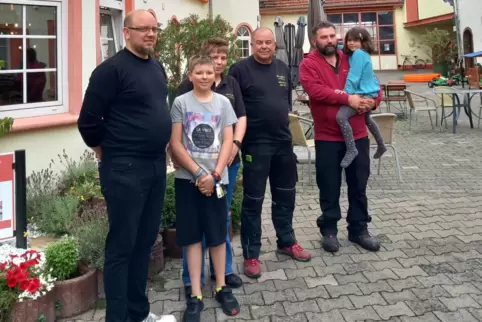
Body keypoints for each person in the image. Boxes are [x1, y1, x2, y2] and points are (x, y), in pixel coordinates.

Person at [78, 9, 176, 322]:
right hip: (124, 169)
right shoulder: (110, 71)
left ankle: (139, 313)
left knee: (144, 242)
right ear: (127, 32)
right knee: (122, 246)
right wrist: (107, 153)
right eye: (143, 29)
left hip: (155, 166)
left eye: (154, 29)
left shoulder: (156, 66)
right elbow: (88, 123)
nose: (150, 34)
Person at [229, 27, 312, 279]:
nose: (264, 46)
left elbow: (285, 103)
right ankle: (251, 254)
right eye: (259, 42)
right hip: (255, 145)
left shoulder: (282, 68)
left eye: (268, 42)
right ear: (252, 44)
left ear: (274, 45)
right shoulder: (239, 70)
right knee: (253, 201)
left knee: (286, 195)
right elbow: (233, 110)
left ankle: (286, 241)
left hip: (283, 144)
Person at [299, 21, 382, 253]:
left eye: (332, 35)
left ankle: (359, 229)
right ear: (315, 40)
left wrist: (373, 101)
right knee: (329, 186)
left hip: (357, 134)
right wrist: (349, 99)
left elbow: (372, 81)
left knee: (358, 185)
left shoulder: (353, 56)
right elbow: (316, 91)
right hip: (327, 136)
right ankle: (330, 230)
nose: (329, 40)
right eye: (323, 37)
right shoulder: (308, 64)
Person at [170, 55, 240, 322]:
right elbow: (176, 143)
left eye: (208, 72)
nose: (203, 76)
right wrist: (200, 174)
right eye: (198, 72)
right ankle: (196, 294)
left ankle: (221, 286)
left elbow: (228, 140)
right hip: (188, 180)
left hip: (217, 179)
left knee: (217, 234)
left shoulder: (223, 103)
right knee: (191, 237)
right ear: (191, 75)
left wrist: (216, 174)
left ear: (215, 75)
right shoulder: (180, 103)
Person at [335, 27, 386, 168]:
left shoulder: (358, 54)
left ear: (363, 41)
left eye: (356, 40)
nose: (351, 43)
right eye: (349, 40)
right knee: (367, 118)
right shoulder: (363, 53)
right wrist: (335, 45)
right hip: (371, 91)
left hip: (363, 93)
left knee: (341, 117)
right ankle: (381, 144)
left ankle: (351, 149)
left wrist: (346, 94)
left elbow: (354, 77)